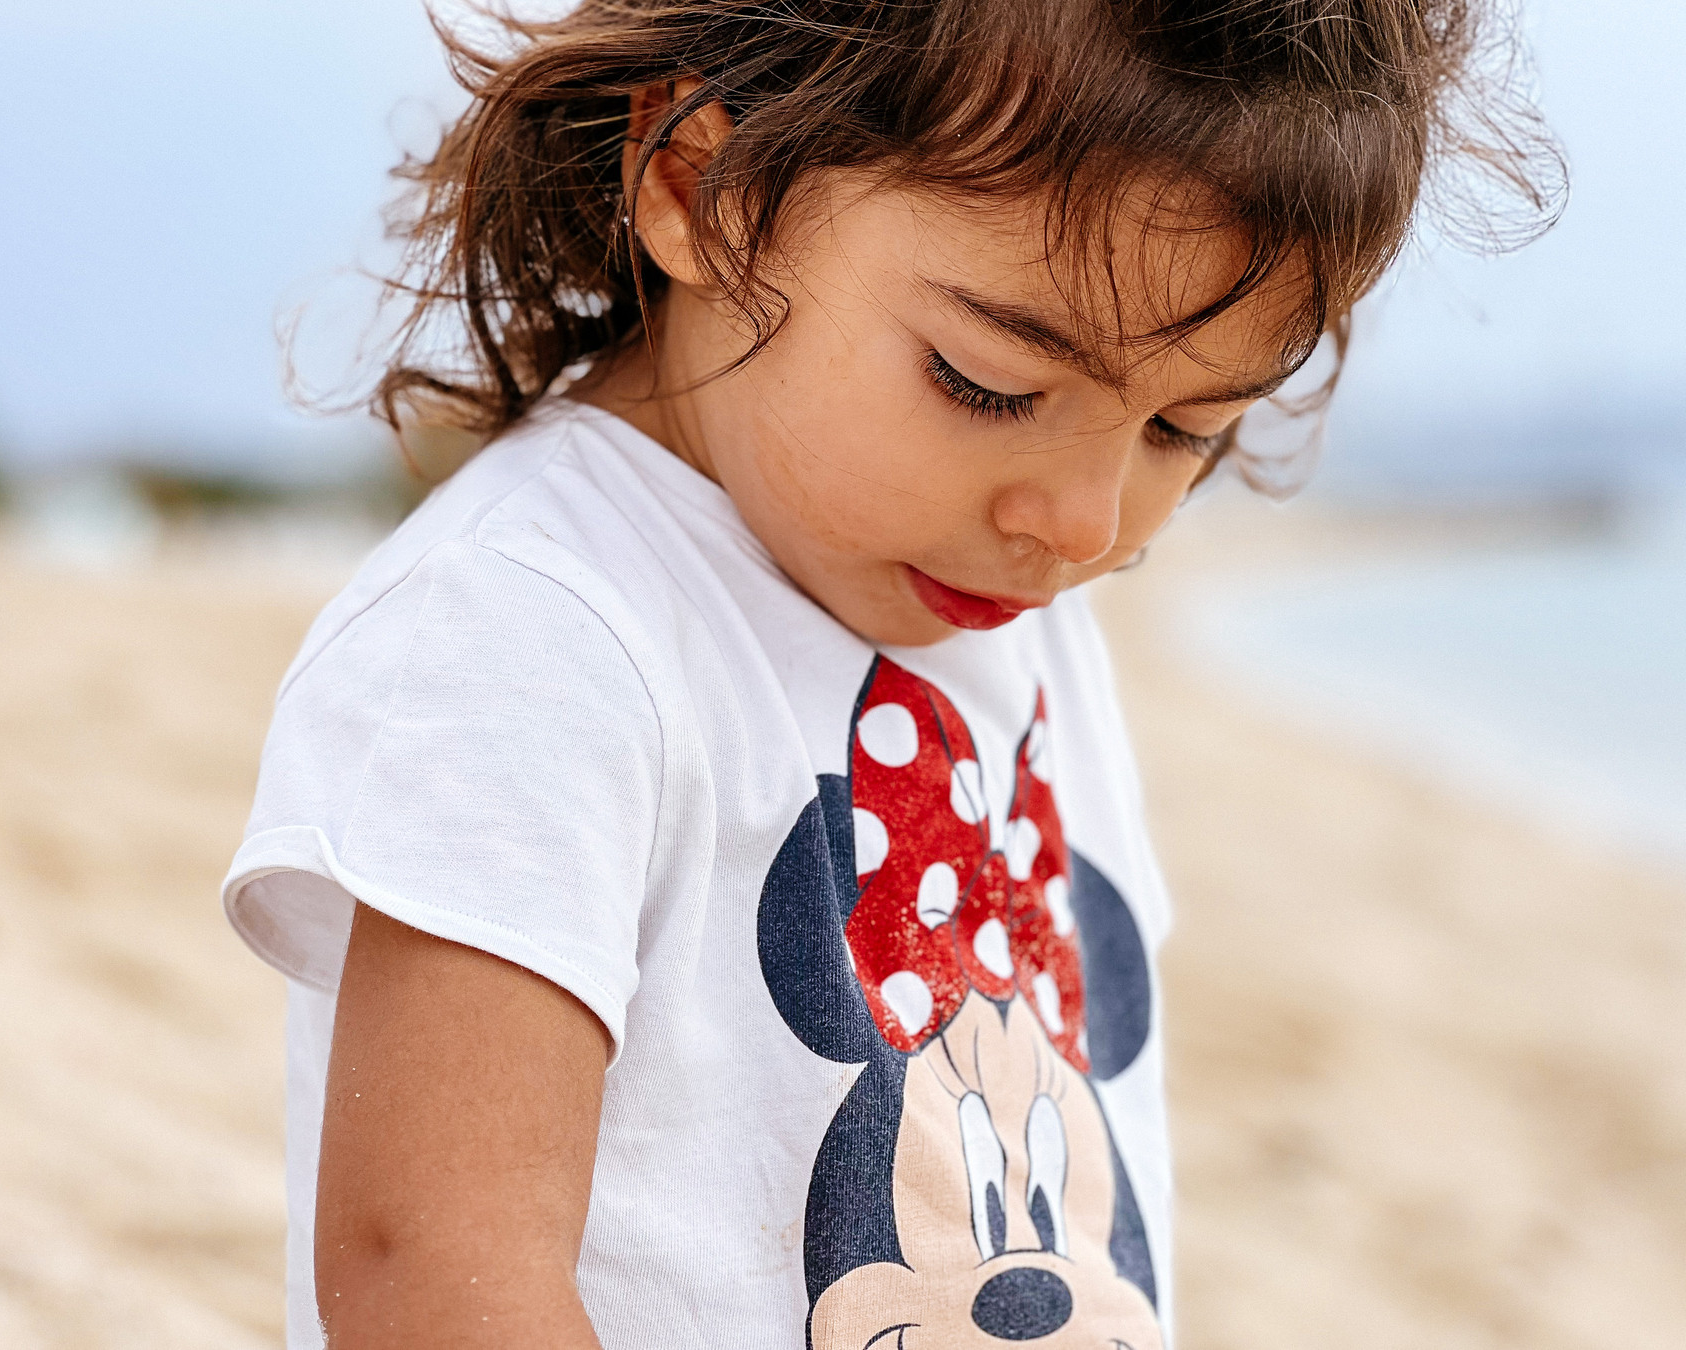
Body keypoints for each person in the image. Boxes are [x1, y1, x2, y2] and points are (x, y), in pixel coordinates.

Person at [222, 1, 1556, 1345]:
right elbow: (428, 1270)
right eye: (988, 384)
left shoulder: (1012, 618)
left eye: (1184, 428)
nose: (1085, 523)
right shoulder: (532, 629)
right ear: (703, 187)